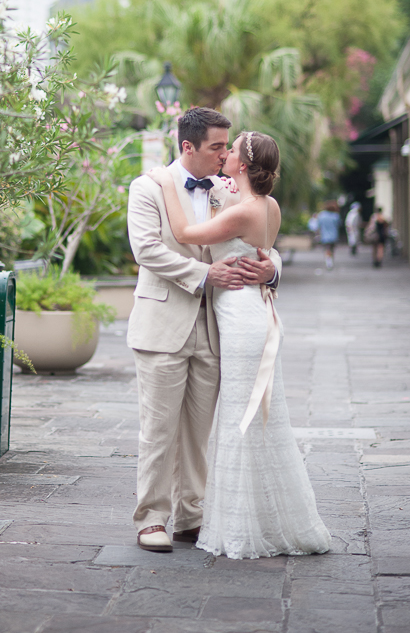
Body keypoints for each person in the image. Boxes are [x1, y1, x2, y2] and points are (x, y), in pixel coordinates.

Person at [147, 130, 331, 559]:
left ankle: (242, 526)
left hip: (243, 323)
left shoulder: (241, 210)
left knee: (240, 421)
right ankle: (263, 519)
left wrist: (164, 183)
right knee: (257, 420)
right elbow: (261, 250)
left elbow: (185, 231)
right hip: (254, 315)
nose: (225, 154)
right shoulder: (267, 206)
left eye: (232, 150)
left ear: (243, 166)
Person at [126, 108, 281, 553]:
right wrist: (203, 274)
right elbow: (148, 250)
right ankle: (152, 519)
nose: (222, 156)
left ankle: (191, 515)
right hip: (162, 324)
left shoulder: (227, 189)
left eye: (225, 148)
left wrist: (271, 271)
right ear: (188, 146)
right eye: (216, 147)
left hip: (217, 330)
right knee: (158, 428)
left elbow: (257, 236)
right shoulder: (148, 187)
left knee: (199, 431)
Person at [317, 201, 341, 269]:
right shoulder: (335, 216)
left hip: (325, 236)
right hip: (334, 236)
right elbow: (339, 224)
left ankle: (328, 261)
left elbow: (319, 225)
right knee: (332, 249)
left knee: (327, 249)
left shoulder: (321, 215)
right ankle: (330, 260)